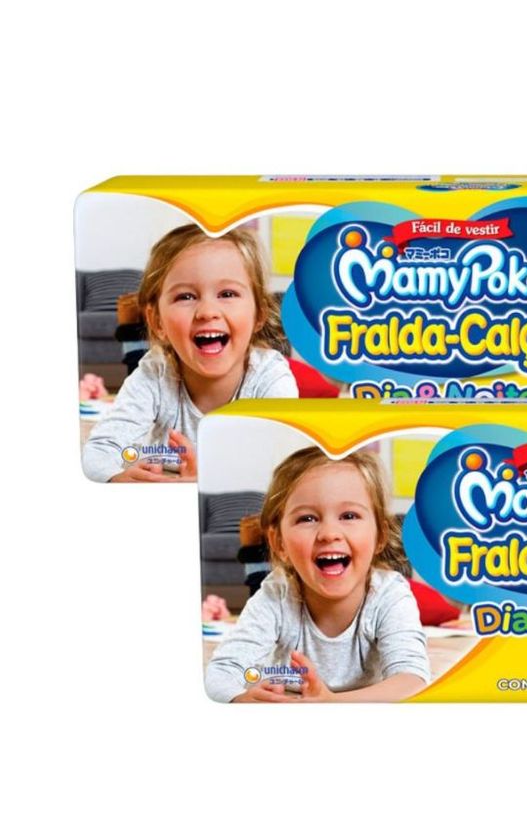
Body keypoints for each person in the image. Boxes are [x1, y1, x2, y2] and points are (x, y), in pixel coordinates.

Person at [205, 447, 430, 702]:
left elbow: (413, 681)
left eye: (349, 515)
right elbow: (220, 673)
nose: (329, 534)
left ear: (380, 535)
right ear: (279, 543)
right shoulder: (276, 595)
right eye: (308, 519)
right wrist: (240, 699)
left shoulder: (390, 594)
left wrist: (331, 702)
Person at [82, 224, 297, 482]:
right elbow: (98, 452)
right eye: (185, 296)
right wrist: (118, 478)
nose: (207, 312)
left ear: (259, 313)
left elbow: (282, 463)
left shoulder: (270, 378)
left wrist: (206, 480)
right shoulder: (155, 374)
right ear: (157, 321)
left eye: (227, 293)